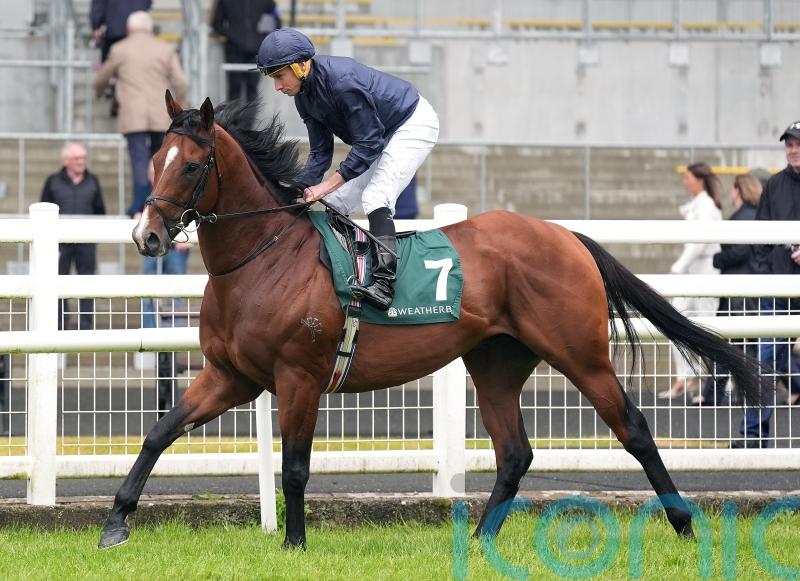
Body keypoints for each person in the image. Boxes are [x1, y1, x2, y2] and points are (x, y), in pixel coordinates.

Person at [256, 28, 440, 310]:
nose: (277, 87)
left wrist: (325, 185)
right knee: (335, 203)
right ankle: (343, 271)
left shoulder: (343, 83)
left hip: (411, 123)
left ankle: (384, 282)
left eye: (280, 76)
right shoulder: (303, 95)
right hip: (379, 135)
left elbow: (367, 144)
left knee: (376, 197)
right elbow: (320, 152)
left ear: (301, 65)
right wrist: (298, 189)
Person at [732, 121, 800, 448]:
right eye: (789, 144)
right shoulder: (774, 185)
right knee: (765, 362)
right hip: (779, 287)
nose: (793, 149)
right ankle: (753, 434)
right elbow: (758, 237)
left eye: (798, 144)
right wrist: (764, 276)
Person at [94, 10, 188, 218]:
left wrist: (99, 93)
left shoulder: (119, 49)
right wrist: (179, 106)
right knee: (160, 162)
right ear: (150, 28)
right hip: (161, 114)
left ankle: (139, 205)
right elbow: (181, 82)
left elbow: (102, 78)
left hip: (132, 114)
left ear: (129, 29)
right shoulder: (165, 49)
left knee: (138, 160)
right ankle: (158, 205)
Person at [691, 173, 763, 406]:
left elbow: (741, 251)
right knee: (750, 343)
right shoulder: (759, 216)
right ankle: (747, 394)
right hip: (753, 287)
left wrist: (718, 258)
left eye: (733, 190)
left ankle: (714, 395)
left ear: (739, 190)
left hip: (735, 288)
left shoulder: (739, 219)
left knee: (724, 343)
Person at [658, 162, 723, 399]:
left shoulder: (708, 207)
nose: (685, 182)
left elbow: (699, 243)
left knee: (709, 327)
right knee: (675, 320)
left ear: (699, 180)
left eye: (688, 178)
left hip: (705, 271)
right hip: (691, 271)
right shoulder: (698, 205)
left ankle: (718, 382)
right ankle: (686, 377)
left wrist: (677, 268)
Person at [132, 159, 191, 418]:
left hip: (174, 246)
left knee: (176, 288)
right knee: (148, 289)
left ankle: (173, 329)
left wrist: (185, 236)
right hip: (155, 241)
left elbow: (188, 211)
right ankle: (151, 332)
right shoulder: (148, 188)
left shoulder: (173, 185)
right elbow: (134, 211)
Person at [40, 142, 106, 330]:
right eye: (77, 158)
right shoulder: (52, 181)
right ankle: (59, 324)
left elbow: (100, 211)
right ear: (66, 160)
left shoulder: (93, 181)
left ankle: (86, 326)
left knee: (87, 283)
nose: (81, 162)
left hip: (86, 242)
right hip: (59, 243)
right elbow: (43, 208)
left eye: (83, 158)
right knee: (58, 282)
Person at [211, 0, 281, 102]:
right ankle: (233, 118)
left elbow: (276, 22)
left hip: (257, 51)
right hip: (233, 50)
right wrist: (233, 37)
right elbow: (216, 24)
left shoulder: (267, 1)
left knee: (252, 90)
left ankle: (250, 118)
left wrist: (261, 39)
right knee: (234, 89)